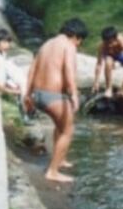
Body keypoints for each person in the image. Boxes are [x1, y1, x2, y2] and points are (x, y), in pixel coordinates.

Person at [23, 18, 88, 183]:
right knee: (68, 130)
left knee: (60, 125)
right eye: (79, 41)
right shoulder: (68, 45)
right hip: (53, 96)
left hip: (38, 94)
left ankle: (61, 159)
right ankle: (52, 171)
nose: (78, 44)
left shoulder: (46, 44)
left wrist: (27, 94)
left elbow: (32, 69)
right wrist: (73, 93)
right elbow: (69, 70)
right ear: (75, 36)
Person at [0, 28, 32, 124]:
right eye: (4, 42)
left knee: (22, 82)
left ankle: (25, 112)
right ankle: (24, 114)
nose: (7, 45)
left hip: (5, 78)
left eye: (8, 42)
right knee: (22, 85)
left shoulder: (2, 54)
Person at [93, 26, 123, 97]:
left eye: (111, 42)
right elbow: (99, 64)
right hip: (109, 56)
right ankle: (108, 88)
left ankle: (122, 89)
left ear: (115, 39)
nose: (109, 45)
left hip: (119, 54)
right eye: (107, 43)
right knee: (108, 62)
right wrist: (96, 82)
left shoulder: (120, 39)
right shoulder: (102, 46)